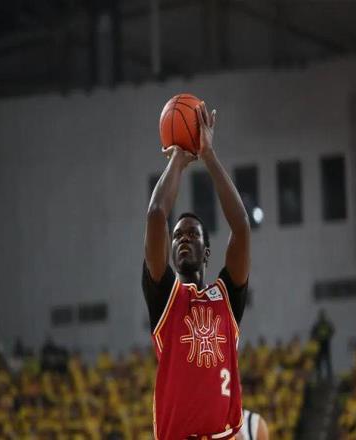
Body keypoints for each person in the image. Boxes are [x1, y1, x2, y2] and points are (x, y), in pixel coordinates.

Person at [142, 101, 250, 439]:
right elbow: (156, 215)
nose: (183, 239)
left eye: (192, 234)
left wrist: (209, 156)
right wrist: (178, 157)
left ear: (207, 253)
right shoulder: (165, 295)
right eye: (177, 236)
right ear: (171, 252)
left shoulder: (226, 297)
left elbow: (241, 226)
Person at [310, 309, 335, 381]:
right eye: (321, 316)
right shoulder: (317, 325)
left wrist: (328, 336)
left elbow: (332, 330)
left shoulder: (326, 324)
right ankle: (319, 375)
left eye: (322, 316)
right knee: (319, 360)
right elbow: (313, 333)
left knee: (327, 360)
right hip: (319, 344)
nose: (321, 318)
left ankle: (329, 375)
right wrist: (316, 337)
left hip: (326, 343)